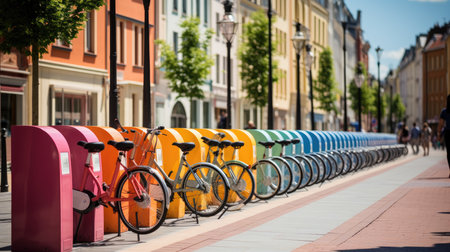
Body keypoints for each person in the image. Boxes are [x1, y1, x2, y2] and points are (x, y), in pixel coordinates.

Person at [437, 94, 450, 178]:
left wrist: (438, 134)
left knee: (449, 153)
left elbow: (441, 124)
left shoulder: (445, 111)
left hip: (448, 133)